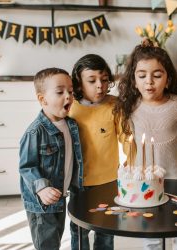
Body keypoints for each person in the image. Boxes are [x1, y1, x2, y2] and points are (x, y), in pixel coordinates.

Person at [114, 40, 177, 250]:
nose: (149, 82)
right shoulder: (130, 107)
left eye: (157, 75)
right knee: (151, 229)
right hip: (145, 181)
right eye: (142, 75)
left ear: (168, 78)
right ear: (133, 80)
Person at [68, 54, 130, 250]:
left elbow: (127, 137)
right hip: (78, 183)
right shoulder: (69, 107)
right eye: (92, 81)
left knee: (106, 230)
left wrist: (133, 163)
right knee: (79, 230)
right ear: (78, 83)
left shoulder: (115, 105)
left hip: (108, 182)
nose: (100, 86)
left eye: (104, 80)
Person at [19, 67, 83, 250]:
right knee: (47, 244)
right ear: (42, 99)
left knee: (56, 237)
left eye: (70, 91)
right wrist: (42, 188)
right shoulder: (35, 132)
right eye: (60, 92)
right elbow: (26, 166)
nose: (68, 96)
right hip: (41, 204)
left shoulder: (71, 125)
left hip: (60, 197)